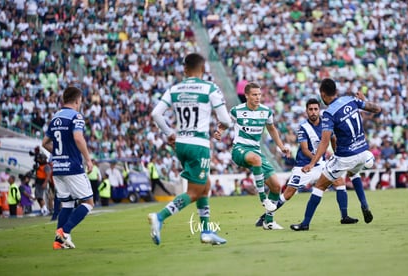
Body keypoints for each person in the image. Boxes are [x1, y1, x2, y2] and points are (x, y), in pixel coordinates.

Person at [148, 53, 232, 245]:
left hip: (181, 144)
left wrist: (169, 133)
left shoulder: (175, 89)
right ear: (203, 69)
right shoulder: (209, 88)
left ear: (185, 69)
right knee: (194, 192)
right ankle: (159, 217)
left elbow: (156, 114)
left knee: (206, 186)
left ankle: (206, 231)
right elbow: (225, 120)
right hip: (198, 145)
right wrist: (222, 128)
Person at [291, 78, 381, 231]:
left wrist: (312, 163)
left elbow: (325, 142)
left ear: (323, 94)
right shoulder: (351, 99)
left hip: (345, 157)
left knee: (319, 186)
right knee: (354, 173)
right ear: (336, 91)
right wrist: (363, 100)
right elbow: (377, 109)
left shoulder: (329, 113)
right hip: (364, 152)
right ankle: (364, 205)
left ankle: (305, 223)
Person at [255, 98, 359, 227]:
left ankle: (344, 216)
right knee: (288, 193)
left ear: (319, 110)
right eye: (311, 109)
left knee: (339, 181)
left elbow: (333, 139)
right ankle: (266, 216)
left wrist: (336, 155)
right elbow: (304, 150)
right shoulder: (303, 128)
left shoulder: (326, 124)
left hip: (320, 164)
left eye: (316, 109)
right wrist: (314, 160)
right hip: (303, 166)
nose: (313, 112)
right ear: (306, 111)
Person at [216, 82, 291, 230]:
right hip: (239, 150)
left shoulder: (266, 112)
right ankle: (263, 199)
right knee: (256, 159)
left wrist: (281, 147)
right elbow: (224, 124)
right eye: (254, 95)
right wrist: (219, 131)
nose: (258, 97)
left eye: (259, 94)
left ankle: (268, 221)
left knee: (276, 186)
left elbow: (272, 129)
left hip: (256, 152)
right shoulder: (236, 111)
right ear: (247, 96)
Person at [42, 86, 94, 249]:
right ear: (78, 100)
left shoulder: (56, 117)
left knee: (67, 204)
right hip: (72, 166)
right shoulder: (76, 116)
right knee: (88, 202)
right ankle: (64, 232)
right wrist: (88, 159)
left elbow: (44, 143)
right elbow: (78, 138)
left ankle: (58, 242)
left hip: (58, 167)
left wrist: (58, 154)